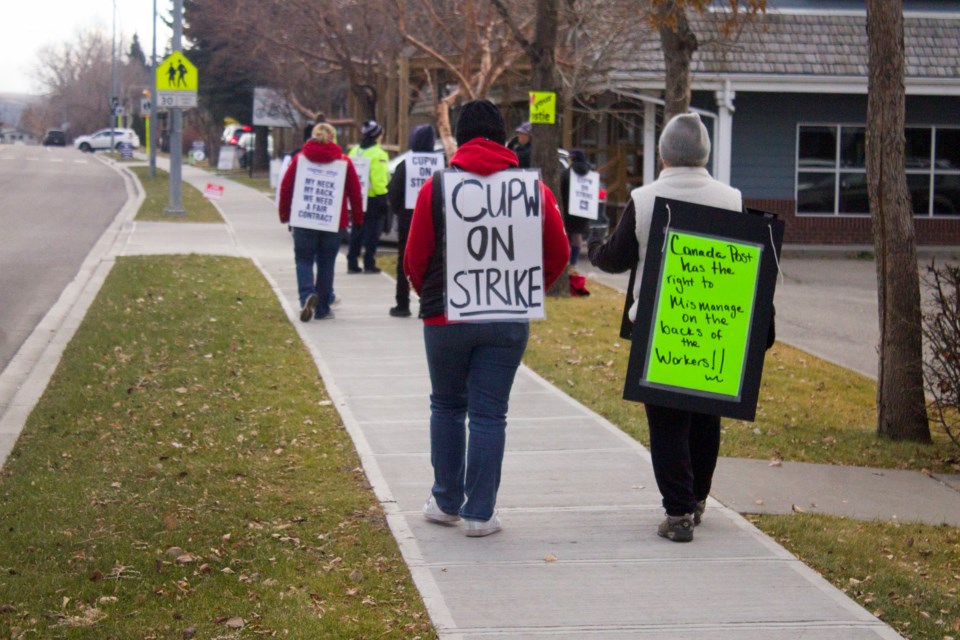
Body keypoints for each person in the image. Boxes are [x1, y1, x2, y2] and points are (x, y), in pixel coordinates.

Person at [404, 100, 569, 537]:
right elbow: (559, 253)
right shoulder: (534, 191)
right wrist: (528, 287)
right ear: (503, 138)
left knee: (446, 405)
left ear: (459, 136)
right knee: (489, 415)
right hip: (507, 314)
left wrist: (432, 296)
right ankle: (480, 513)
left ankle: (445, 501)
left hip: (445, 319)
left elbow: (414, 257)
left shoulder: (435, 188)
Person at [588, 112, 742, 543]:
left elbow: (616, 258)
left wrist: (595, 248)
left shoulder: (645, 198)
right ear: (705, 154)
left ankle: (677, 513)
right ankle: (696, 500)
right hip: (714, 326)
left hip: (658, 329)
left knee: (667, 423)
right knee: (705, 417)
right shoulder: (732, 199)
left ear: (663, 154)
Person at [278, 123, 364, 321]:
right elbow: (355, 192)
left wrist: (285, 214)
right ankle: (323, 308)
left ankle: (307, 295)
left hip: (304, 218)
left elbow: (286, 188)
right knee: (326, 263)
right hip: (333, 222)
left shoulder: (300, 159)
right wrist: (358, 219)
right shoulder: (343, 161)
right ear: (332, 137)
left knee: (303, 259)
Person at [387, 124, 438, 318]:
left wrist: (401, 212)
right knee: (434, 262)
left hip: (409, 219)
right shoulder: (442, 162)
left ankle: (402, 303)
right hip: (436, 220)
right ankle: (428, 304)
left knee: (405, 262)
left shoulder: (405, 164)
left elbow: (394, 194)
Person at [347, 120, 390, 274]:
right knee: (372, 233)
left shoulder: (355, 151)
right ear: (377, 136)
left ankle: (352, 262)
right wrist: (383, 198)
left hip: (357, 198)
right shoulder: (379, 154)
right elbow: (379, 180)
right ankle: (369, 263)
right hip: (373, 199)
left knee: (356, 230)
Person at [559, 149, 593, 267]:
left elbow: (560, 190)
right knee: (577, 235)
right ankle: (573, 263)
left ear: (572, 159)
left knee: (567, 236)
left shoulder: (567, 173)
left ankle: (566, 262)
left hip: (568, 210)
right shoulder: (590, 174)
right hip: (583, 209)